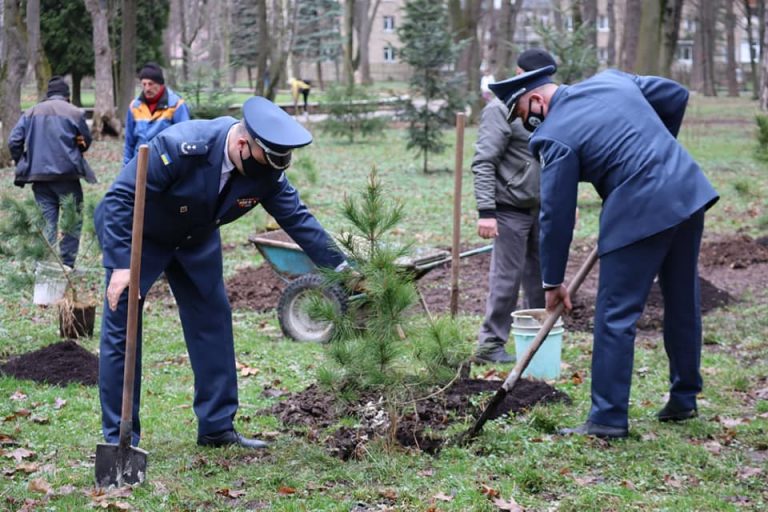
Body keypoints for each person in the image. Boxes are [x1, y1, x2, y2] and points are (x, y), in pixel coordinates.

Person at [95, 96, 347, 449]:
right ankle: (120, 437)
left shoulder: (267, 173)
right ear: (243, 144)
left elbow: (299, 221)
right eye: (267, 161)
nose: (272, 172)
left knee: (212, 320)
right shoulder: (180, 146)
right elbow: (120, 199)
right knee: (123, 325)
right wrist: (122, 265)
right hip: (142, 236)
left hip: (196, 238)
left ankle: (216, 427)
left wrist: (342, 267)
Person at [489, 66, 719, 438]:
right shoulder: (611, 80)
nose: (525, 123)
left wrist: (552, 282)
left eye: (520, 115)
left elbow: (556, 215)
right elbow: (675, 95)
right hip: (685, 189)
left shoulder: (554, 135)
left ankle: (608, 418)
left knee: (615, 313)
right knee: (681, 297)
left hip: (640, 209)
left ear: (535, 100)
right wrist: (659, 153)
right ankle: (685, 396)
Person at [472, 49, 557, 364]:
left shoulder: (546, 107)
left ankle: (536, 342)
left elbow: (554, 158)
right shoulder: (499, 110)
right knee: (506, 280)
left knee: (542, 279)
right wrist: (486, 212)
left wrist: (564, 202)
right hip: (508, 209)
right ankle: (490, 344)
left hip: (542, 209)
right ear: (521, 74)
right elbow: (483, 162)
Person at [8, 76, 95, 269]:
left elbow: (13, 141)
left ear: (48, 95)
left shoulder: (30, 112)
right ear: (67, 95)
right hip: (67, 177)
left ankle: (44, 266)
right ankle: (67, 266)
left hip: (39, 178)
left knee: (47, 223)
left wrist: (23, 161)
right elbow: (85, 141)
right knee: (73, 220)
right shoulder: (75, 112)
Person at [124, 62, 191, 165]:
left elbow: (185, 138)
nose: (147, 88)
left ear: (160, 84)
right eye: (144, 84)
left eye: (150, 84)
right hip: (138, 162)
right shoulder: (134, 106)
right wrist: (126, 166)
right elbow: (129, 142)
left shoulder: (176, 105)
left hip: (166, 162)